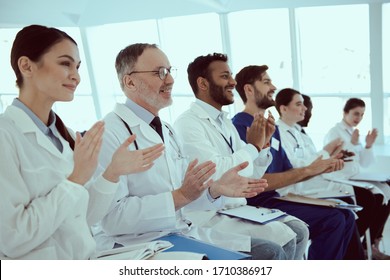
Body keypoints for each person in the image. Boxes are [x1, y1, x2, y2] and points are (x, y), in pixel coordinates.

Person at [94, 43, 285, 260]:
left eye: (169, 71)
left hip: (178, 230)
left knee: (270, 251)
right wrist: (180, 196)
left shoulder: (166, 129)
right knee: (266, 254)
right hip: (138, 243)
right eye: (160, 72)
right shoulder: (109, 132)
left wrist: (215, 190)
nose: (170, 80)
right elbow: (111, 219)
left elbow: (186, 192)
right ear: (130, 81)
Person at [0, 25, 165, 260]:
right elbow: (12, 239)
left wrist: (112, 173)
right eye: (65, 64)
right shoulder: (5, 135)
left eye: (77, 67)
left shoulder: (63, 133)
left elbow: (85, 216)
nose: (76, 76)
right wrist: (76, 179)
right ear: (26, 66)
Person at [173, 53, 309, 260]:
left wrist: (262, 148)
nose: (233, 82)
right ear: (203, 83)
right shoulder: (188, 123)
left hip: (236, 209)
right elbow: (217, 172)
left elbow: (249, 174)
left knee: (299, 230)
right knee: (280, 242)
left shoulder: (224, 122)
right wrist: (253, 146)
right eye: (225, 76)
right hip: (209, 214)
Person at [232, 65, 363, 260]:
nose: (273, 87)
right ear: (249, 90)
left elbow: (288, 170)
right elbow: (257, 181)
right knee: (334, 219)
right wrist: (311, 169)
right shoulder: (240, 125)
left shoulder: (272, 129)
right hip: (259, 203)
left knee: (345, 215)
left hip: (276, 196)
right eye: (266, 82)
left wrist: (320, 168)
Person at [324, 97, 390, 259]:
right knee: (372, 199)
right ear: (345, 112)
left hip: (354, 176)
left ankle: (371, 243)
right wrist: (353, 144)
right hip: (339, 178)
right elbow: (331, 158)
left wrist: (368, 145)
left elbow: (365, 163)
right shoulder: (335, 132)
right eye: (355, 114)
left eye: (361, 115)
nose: (358, 118)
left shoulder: (353, 133)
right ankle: (352, 241)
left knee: (387, 188)